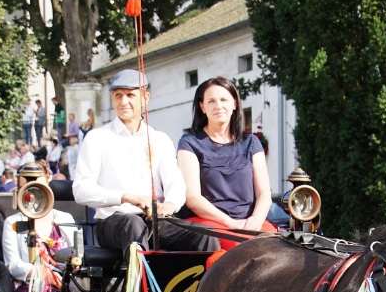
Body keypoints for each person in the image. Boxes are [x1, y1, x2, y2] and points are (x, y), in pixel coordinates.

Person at [73, 69, 218, 253]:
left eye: (130, 95)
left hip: (154, 220)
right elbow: (81, 190)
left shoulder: (159, 139)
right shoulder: (97, 138)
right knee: (133, 223)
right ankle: (140, 273)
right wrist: (127, 197)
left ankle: (204, 273)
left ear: (145, 98)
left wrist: (169, 205)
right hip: (113, 223)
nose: (123, 101)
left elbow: (175, 183)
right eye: (118, 95)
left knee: (205, 234)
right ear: (112, 98)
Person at [176, 77, 275, 250]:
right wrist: (230, 223)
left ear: (234, 104)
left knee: (281, 248)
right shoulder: (189, 143)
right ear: (202, 107)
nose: (218, 106)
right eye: (211, 101)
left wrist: (256, 220)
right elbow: (193, 199)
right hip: (209, 222)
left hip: (249, 222)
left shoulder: (251, 142)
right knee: (244, 249)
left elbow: (264, 193)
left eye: (223, 100)